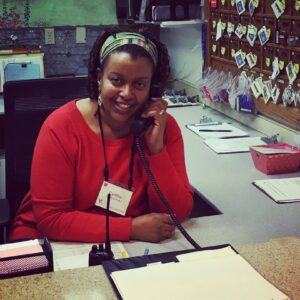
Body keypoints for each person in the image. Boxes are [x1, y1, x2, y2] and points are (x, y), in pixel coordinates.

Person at [9, 27, 194, 243]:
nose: (126, 93)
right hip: (49, 241)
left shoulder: (162, 127)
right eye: (116, 80)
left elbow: (176, 214)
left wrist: (156, 149)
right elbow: (51, 219)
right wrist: (130, 228)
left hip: (122, 247)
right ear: (99, 78)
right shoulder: (61, 126)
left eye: (139, 84)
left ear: (152, 88)